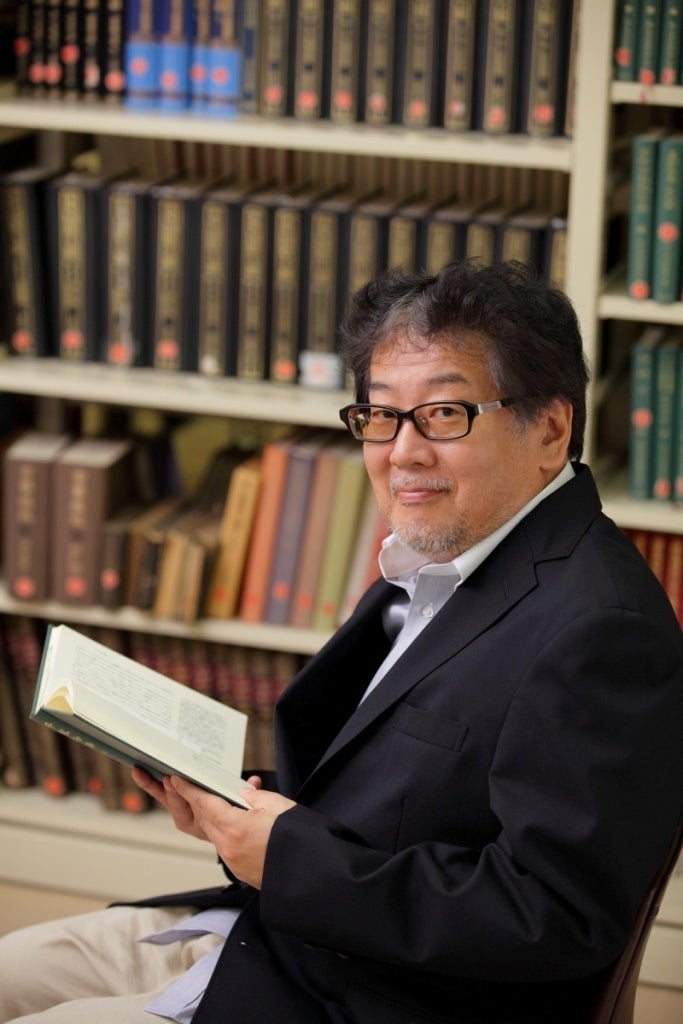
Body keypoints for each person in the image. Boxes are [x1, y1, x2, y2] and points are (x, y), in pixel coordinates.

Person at [1, 259, 681, 1024]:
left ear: (550, 429)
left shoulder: (601, 630)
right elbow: (398, 797)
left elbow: (553, 915)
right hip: (273, 937)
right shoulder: (444, 555)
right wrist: (238, 812)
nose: (402, 452)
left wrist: (287, 856)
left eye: (444, 414)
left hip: (368, 999)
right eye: (380, 415)